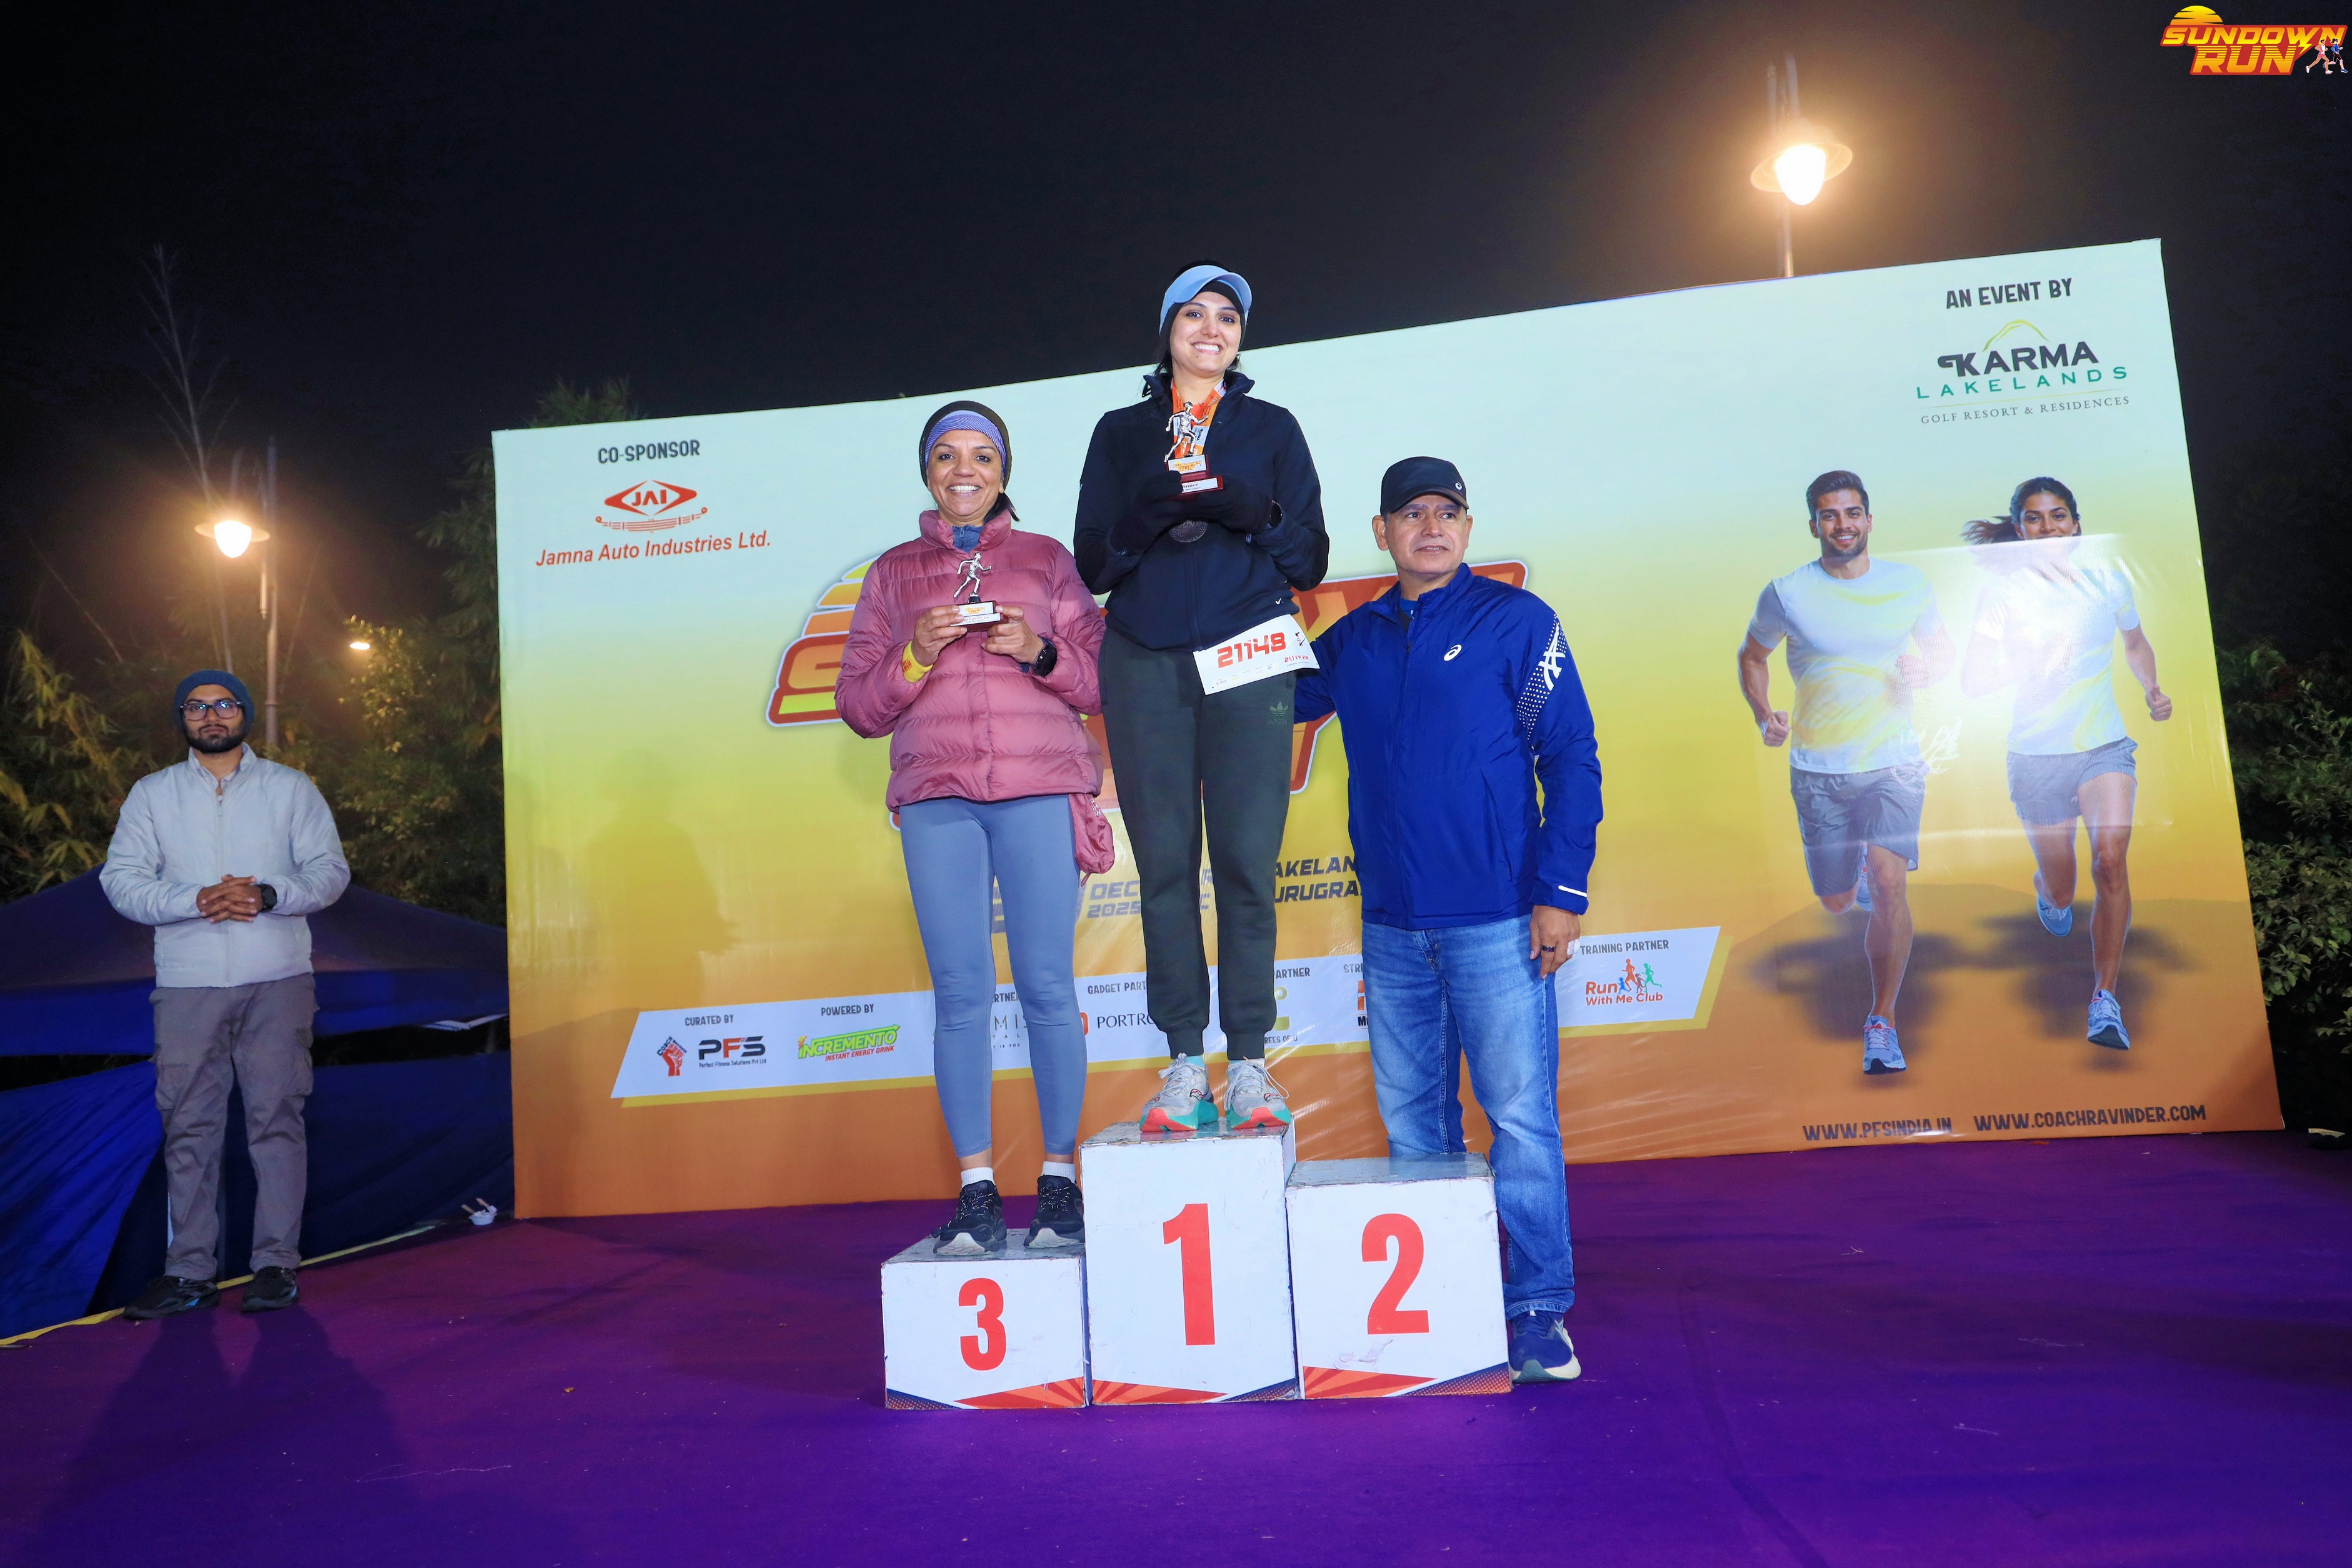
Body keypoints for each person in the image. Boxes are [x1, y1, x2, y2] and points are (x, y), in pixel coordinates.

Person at [1294, 457, 1601, 1386]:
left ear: (1466, 528)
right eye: (1411, 514)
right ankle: (1447, 1305)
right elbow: (1258, 697)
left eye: (1447, 513)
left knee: (1520, 1120)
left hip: (1499, 918)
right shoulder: (1352, 642)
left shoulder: (1518, 622)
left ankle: (1538, 1309)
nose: (1431, 527)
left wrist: (1560, 890)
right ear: (1381, 532)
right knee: (1414, 1127)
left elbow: (1570, 755)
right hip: (1392, 926)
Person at [838, 401, 1112, 1255]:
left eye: (982, 456)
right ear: (928, 472)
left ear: (1003, 471)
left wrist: (1038, 651)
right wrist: (913, 654)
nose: (965, 470)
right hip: (937, 800)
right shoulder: (892, 574)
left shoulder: (1047, 560)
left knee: (1046, 987)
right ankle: (976, 1191)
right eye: (947, 456)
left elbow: (1103, 680)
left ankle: (1059, 1182)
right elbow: (857, 706)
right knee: (960, 994)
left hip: (1037, 789)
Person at [1072, 262, 1330, 1134]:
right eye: (1193, 313)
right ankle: (1184, 1061)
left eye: (1228, 316)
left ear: (1240, 339)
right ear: (1168, 329)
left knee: (1248, 863)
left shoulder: (1271, 428)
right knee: (1166, 868)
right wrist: (1145, 516)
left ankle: (1248, 1061)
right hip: (1144, 659)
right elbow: (1093, 564)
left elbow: (1310, 560)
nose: (1211, 328)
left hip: (1246, 653)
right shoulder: (1119, 432)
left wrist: (1250, 510)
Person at [101, 669, 351, 1317]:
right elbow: (121, 881)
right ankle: (188, 1272)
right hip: (188, 985)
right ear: (182, 718)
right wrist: (196, 899)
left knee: (276, 1121)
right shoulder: (153, 794)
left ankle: (276, 1265)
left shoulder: (289, 787)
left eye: (224, 704)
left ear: (243, 713)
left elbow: (329, 871)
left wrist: (269, 894)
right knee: (189, 1126)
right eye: (197, 706)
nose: (211, 716)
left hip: (278, 980)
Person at [1738, 471, 1953, 1076]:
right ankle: (1848, 878)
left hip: (1894, 762)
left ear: (1869, 519)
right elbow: (1752, 656)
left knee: (1889, 884)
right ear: (1813, 525)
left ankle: (1881, 1019)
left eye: (1852, 512)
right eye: (1829, 515)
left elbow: (1941, 651)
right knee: (1835, 900)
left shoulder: (1908, 584)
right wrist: (1764, 714)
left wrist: (1929, 671)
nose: (1842, 524)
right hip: (1819, 770)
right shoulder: (1787, 593)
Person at [1960, 477, 2171, 1049]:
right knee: (2062, 890)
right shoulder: (2004, 595)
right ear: (2019, 530)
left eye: (2057, 515)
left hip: (2103, 748)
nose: (2047, 526)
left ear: (2075, 524)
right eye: (2033, 518)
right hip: (2036, 759)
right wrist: (2032, 663)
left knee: (2110, 862)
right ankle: (2046, 891)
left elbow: (2134, 643)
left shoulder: (2107, 583)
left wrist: (2151, 687)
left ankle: (2104, 998)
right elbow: (1972, 681)